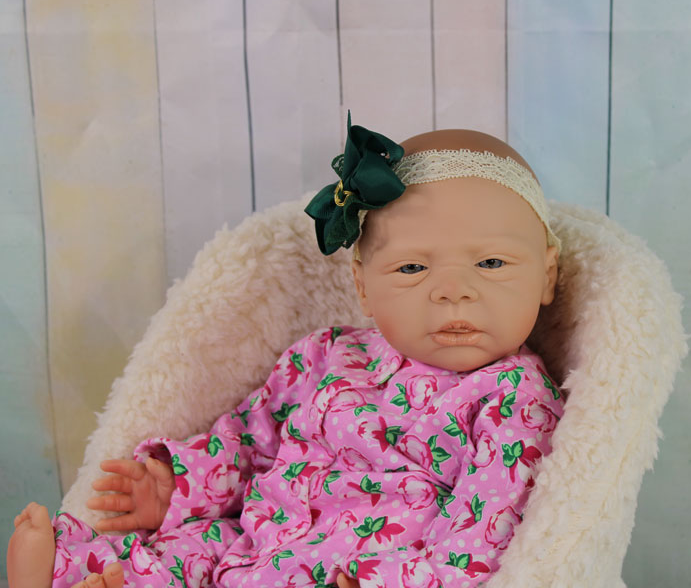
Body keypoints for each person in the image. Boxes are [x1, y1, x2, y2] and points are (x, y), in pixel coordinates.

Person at [7, 118, 564, 588]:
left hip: (353, 570)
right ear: (363, 287)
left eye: (491, 263)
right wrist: (179, 485)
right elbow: (250, 439)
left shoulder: (514, 400)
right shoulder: (329, 355)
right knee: (182, 550)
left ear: (547, 274)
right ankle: (70, 568)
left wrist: (390, 582)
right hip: (254, 538)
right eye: (413, 267)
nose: (453, 291)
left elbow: (482, 532)